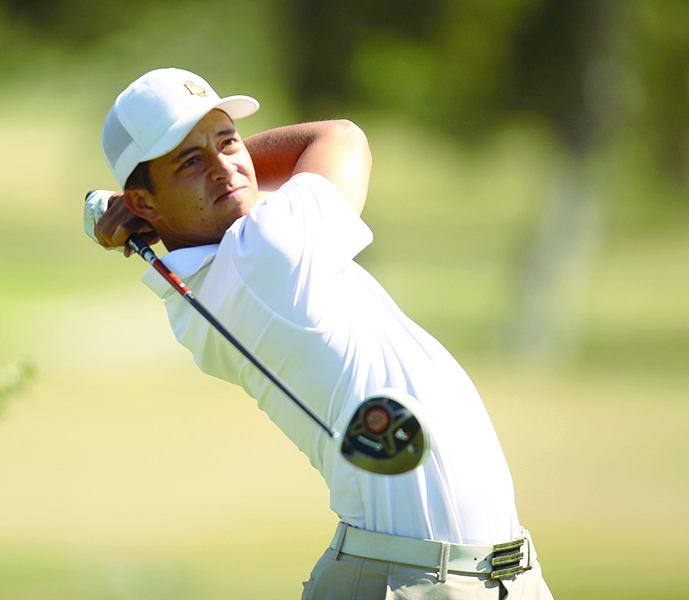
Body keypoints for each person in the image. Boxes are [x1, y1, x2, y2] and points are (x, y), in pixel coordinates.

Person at [83, 67, 554, 600]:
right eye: (191, 161)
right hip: (418, 582)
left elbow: (219, 183)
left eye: (228, 140)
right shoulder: (266, 252)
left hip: (480, 575)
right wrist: (197, 180)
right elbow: (340, 138)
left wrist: (162, 193)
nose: (226, 167)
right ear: (143, 203)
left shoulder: (213, 277)